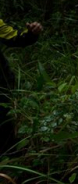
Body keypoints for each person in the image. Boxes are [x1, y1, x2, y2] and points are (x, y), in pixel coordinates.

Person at [1, 19, 43, 154]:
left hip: (1, 79)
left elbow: (15, 37)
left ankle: (9, 154)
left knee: (3, 119)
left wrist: (31, 33)